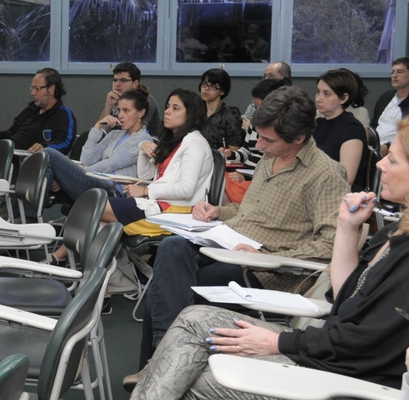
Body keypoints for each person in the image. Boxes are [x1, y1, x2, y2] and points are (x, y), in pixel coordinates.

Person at [77, 118, 409, 400]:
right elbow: (346, 298)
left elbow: (361, 345)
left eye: (394, 160)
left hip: (360, 394)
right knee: (192, 317)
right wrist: (346, 227)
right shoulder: (393, 236)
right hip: (329, 359)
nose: (381, 162)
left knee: (188, 381)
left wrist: (277, 342)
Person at [129, 87, 350, 384]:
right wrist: (219, 212)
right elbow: (248, 213)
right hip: (228, 245)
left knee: (162, 292)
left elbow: (330, 245)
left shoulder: (325, 174)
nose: (259, 144)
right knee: (172, 247)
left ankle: (160, 366)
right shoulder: (271, 158)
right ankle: (164, 364)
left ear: (299, 138)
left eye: (267, 139)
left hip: (266, 270)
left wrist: (269, 257)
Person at [43, 90, 152, 264]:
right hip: (97, 182)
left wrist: (74, 175)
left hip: (114, 192)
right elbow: (87, 159)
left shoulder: (143, 140)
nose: (121, 115)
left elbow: (108, 165)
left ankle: (31, 213)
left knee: (49, 153)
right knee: (49, 162)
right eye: (118, 110)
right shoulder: (115, 134)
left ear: (141, 113)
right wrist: (97, 128)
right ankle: (53, 251)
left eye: (126, 110)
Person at [103, 89, 212, 234]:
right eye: (168, 106)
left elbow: (186, 189)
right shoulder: (175, 141)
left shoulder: (195, 143)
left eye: (175, 108)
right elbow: (146, 175)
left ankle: (64, 256)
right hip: (157, 203)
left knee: (94, 207)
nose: (167, 111)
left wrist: (145, 190)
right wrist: (142, 149)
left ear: (191, 114)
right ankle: (72, 256)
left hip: (175, 209)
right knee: (99, 223)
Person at [0, 68, 76, 155]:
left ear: (51, 89)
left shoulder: (63, 114)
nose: (32, 93)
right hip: (8, 153)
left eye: (37, 88)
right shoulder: (31, 110)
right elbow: (13, 132)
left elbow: (65, 142)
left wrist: (45, 146)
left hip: (26, 162)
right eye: (32, 88)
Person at [314, 68, 369, 191]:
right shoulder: (318, 124)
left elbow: (346, 179)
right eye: (318, 92)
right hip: (316, 189)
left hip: (340, 197)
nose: (318, 98)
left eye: (326, 94)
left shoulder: (352, 129)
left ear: (344, 98)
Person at [92, 62, 162, 136]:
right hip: (117, 141)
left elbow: (137, 133)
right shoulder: (115, 99)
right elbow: (98, 131)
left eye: (123, 80)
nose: (117, 84)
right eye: (115, 80)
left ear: (135, 83)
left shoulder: (145, 100)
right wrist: (108, 105)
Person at [198, 68, 243, 153]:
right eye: (204, 84)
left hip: (219, 160)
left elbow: (233, 149)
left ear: (222, 91)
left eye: (213, 86)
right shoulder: (195, 111)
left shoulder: (230, 114)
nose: (206, 89)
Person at [373, 58, 409, 156]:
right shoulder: (385, 97)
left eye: (400, 72)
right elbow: (374, 124)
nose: (394, 76)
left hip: (398, 151)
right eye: (392, 72)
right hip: (374, 147)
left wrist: (388, 146)